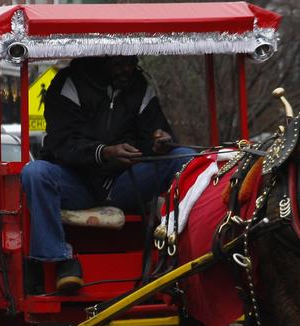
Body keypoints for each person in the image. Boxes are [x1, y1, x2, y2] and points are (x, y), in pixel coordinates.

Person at [22, 55, 190, 292]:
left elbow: (153, 133)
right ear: (101, 58)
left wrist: (160, 141)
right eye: (119, 64)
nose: (127, 70)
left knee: (183, 157)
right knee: (35, 173)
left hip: (124, 183)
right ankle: (59, 261)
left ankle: (184, 251)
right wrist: (105, 152)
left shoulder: (139, 86)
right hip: (76, 182)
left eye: (131, 63)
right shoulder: (69, 83)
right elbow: (62, 142)